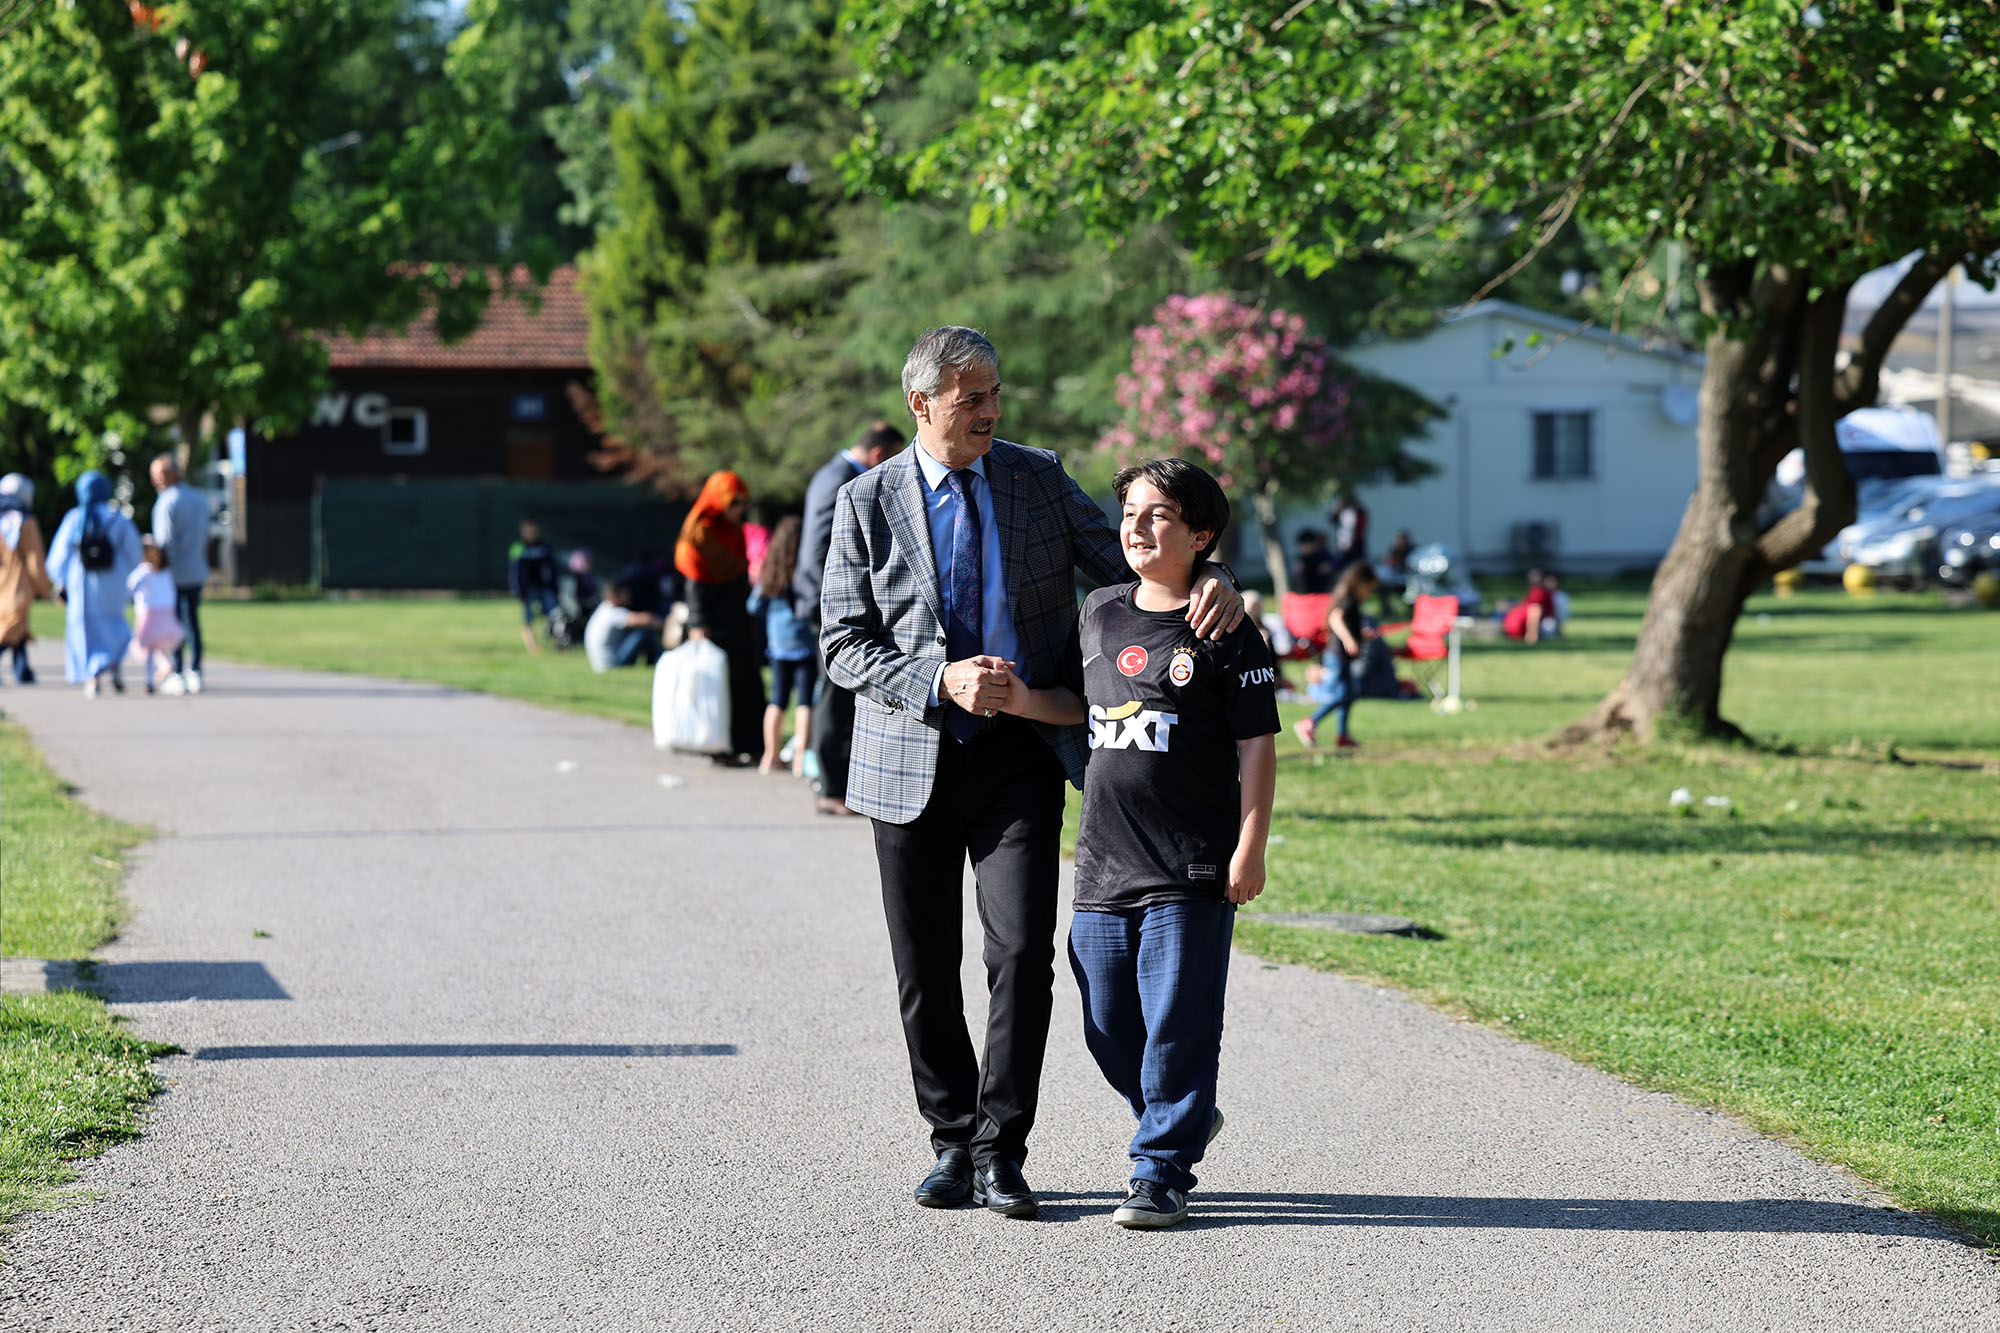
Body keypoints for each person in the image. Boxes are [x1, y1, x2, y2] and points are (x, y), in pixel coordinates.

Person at [820, 325, 1243, 1221]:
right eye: (972, 397)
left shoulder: (1033, 477)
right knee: (925, 964)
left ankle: (1001, 1149)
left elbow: (1131, 557)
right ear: (920, 403)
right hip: (910, 759)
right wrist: (939, 677)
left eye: (995, 393)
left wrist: (1217, 574)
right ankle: (950, 1140)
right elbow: (841, 643)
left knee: (1021, 953)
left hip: (1020, 756)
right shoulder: (865, 502)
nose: (991, 410)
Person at [991, 457, 1278, 1229]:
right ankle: (1176, 1112)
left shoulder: (1225, 625)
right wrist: (1021, 698)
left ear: (1200, 533)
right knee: (1109, 1022)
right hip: (1103, 864)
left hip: (1190, 863)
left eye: (1158, 515)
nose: (1137, 527)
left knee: (1179, 1020)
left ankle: (1160, 1172)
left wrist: (1251, 845)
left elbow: (1256, 745)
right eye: (1130, 512)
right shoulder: (1101, 610)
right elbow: (1077, 703)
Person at [795, 421, 904, 815]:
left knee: (838, 696)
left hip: (820, 600)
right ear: (878, 456)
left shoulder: (831, 473)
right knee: (835, 696)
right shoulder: (843, 481)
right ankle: (829, 786)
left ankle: (838, 784)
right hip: (827, 604)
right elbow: (826, 549)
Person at [675, 471, 766, 765]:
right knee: (721, 687)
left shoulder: (734, 530)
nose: (740, 508)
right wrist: (698, 624)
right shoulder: (700, 531)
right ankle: (719, 746)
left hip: (738, 618)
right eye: (734, 502)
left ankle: (750, 744)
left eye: (743, 502)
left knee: (746, 682)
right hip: (713, 623)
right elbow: (694, 581)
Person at [46, 470, 143, 697]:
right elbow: (134, 553)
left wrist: (60, 581)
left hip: (82, 584)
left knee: (85, 627)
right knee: (114, 624)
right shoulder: (117, 518)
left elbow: (58, 558)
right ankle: (114, 665)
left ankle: (92, 676)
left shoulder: (74, 519)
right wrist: (122, 572)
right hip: (113, 582)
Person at [748, 515, 816, 776]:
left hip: (778, 644)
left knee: (776, 700)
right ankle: (800, 759)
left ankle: (770, 756)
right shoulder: (803, 569)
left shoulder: (769, 569)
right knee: (804, 701)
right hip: (805, 643)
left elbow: (753, 606)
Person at [1296, 561, 1378, 751]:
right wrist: (1349, 639)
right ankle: (1309, 722)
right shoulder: (1348, 600)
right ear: (1359, 583)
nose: (1369, 594)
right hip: (1337, 656)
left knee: (1349, 694)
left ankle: (1342, 735)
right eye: (1369, 589)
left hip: (1341, 656)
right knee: (1341, 694)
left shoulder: (1349, 600)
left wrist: (1361, 635)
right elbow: (1335, 618)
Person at [149, 454, 211, 693]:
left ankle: (177, 670)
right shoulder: (198, 499)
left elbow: (165, 544)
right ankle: (195, 670)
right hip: (196, 569)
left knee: (173, 624)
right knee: (192, 621)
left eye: (159, 476)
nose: (156, 481)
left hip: (173, 574)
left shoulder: (167, 502)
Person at [0, 474, 52, 683]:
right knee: (12, 624)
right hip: (18, 584)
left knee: (17, 626)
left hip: (2, 582)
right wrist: (44, 588)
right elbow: (34, 558)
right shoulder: (25, 521)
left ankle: (23, 671)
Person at [127, 538, 186, 694]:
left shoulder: (143, 572)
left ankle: (151, 678)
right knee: (156, 648)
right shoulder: (166, 572)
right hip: (166, 614)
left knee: (147, 648)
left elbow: (130, 589)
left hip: (148, 615)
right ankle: (159, 672)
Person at [582, 580, 664, 672]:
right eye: (624, 593)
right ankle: (660, 661)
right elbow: (645, 619)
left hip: (600, 665)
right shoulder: (612, 612)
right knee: (644, 632)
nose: (628, 596)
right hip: (612, 664)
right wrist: (665, 625)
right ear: (615, 595)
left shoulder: (603, 609)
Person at [508, 519, 559, 653]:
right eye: (528, 530)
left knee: (554, 614)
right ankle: (532, 645)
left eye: (534, 529)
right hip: (527, 589)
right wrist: (519, 591)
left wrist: (554, 587)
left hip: (544, 587)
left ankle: (557, 640)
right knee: (528, 617)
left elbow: (552, 569)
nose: (531, 533)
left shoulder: (544, 546)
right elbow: (515, 572)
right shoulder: (518, 547)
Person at [1502, 568, 1557, 645]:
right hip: (1516, 627)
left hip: (1511, 627)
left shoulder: (1537, 591)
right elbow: (1535, 611)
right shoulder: (1539, 592)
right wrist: (1532, 635)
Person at [1329, 489, 1369, 573]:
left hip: (1355, 547)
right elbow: (1332, 519)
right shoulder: (1342, 511)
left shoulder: (1358, 511)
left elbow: (1360, 529)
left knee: (1355, 571)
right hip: (1342, 547)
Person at [1293, 528, 1337, 594]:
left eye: (1305, 545)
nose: (1303, 548)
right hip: (1307, 593)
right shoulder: (1302, 558)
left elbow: (1332, 566)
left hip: (1322, 592)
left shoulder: (1323, 555)